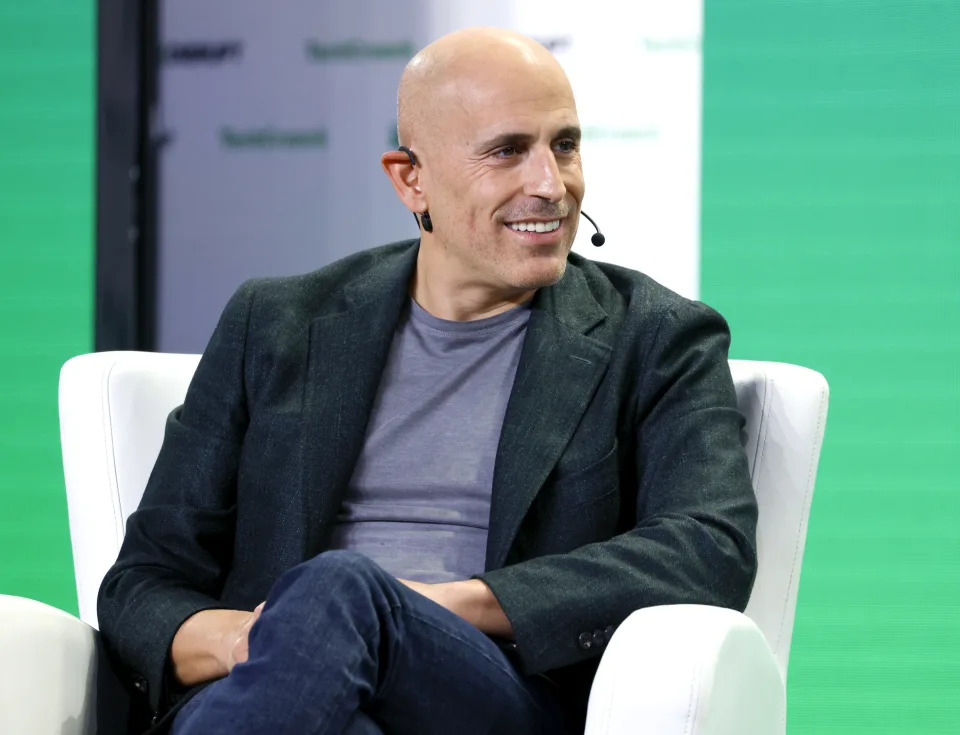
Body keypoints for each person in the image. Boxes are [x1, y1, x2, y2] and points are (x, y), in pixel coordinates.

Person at [98, 27, 758, 735]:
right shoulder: (277, 322)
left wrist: (447, 602)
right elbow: (144, 581)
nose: (550, 183)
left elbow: (707, 546)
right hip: (280, 689)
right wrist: (268, 640)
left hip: (494, 689)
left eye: (564, 144)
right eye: (508, 151)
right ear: (411, 178)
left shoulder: (654, 337)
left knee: (341, 585)